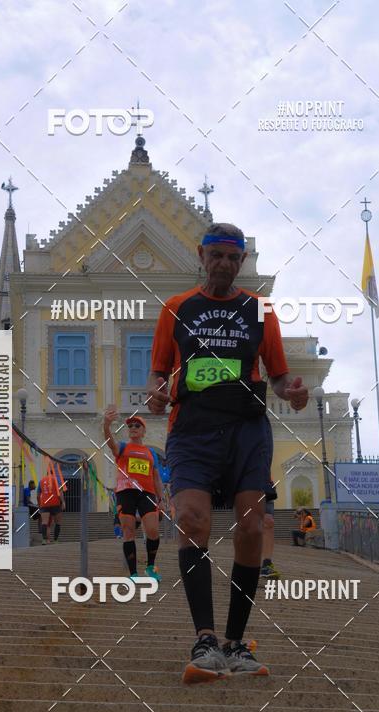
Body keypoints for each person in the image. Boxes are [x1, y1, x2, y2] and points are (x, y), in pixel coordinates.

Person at [146, 221, 309, 684]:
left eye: (232, 258)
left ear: (241, 263)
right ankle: (205, 639)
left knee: (251, 524)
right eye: (216, 255)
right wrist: (157, 393)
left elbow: (277, 376)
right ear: (201, 255)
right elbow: (158, 372)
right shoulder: (176, 309)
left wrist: (292, 391)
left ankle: (236, 643)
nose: (224, 264)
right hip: (192, 430)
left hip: (247, 430)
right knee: (192, 520)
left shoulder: (260, 311)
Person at [103, 407, 163, 583]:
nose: (134, 428)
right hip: (125, 492)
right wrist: (106, 425)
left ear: (144, 431)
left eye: (137, 425)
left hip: (147, 493)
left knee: (153, 530)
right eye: (130, 426)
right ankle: (133, 574)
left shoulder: (151, 453)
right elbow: (109, 442)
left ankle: (150, 567)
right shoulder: (122, 447)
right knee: (128, 532)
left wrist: (161, 499)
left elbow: (156, 477)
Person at [38, 470, 65, 545]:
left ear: (47, 474)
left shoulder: (41, 481)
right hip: (55, 503)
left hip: (45, 504)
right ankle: (55, 540)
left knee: (44, 522)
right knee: (58, 522)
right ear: (53, 473)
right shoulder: (56, 480)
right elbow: (60, 492)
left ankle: (44, 540)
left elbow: (38, 494)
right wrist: (63, 502)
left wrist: (39, 504)